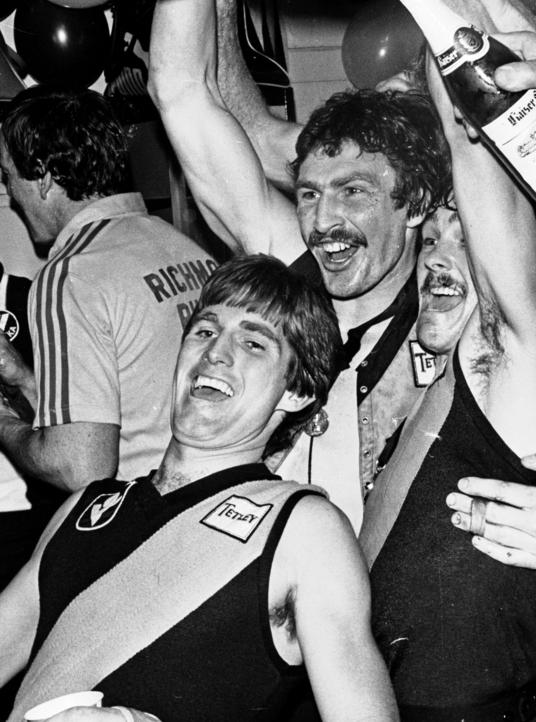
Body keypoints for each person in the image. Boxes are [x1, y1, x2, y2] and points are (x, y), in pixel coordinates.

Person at [0, 255, 398, 722]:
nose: (215, 353)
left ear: (296, 391)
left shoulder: (302, 531)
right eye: (205, 332)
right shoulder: (84, 508)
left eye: (253, 343)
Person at [148, 0, 457, 529]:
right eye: (309, 193)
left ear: (414, 206)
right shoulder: (294, 270)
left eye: (354, 192)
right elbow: (180, 92)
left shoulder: (455, 305)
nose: (324, 220)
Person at [359, 35, 536, 720]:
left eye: (465, 237)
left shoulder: (520, 360)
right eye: (431, 239)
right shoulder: (440, 391)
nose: (437, 256)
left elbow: (473, 138)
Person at [0, 86, 218, 493]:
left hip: (147, 519)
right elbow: (122, 407)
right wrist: (25, 380)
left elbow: (80, 468)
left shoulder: (71, 275)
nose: (10, 194)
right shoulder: (186, 248)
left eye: (8, 177)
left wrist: (3, 421)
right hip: (210, 500)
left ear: (44, 178)